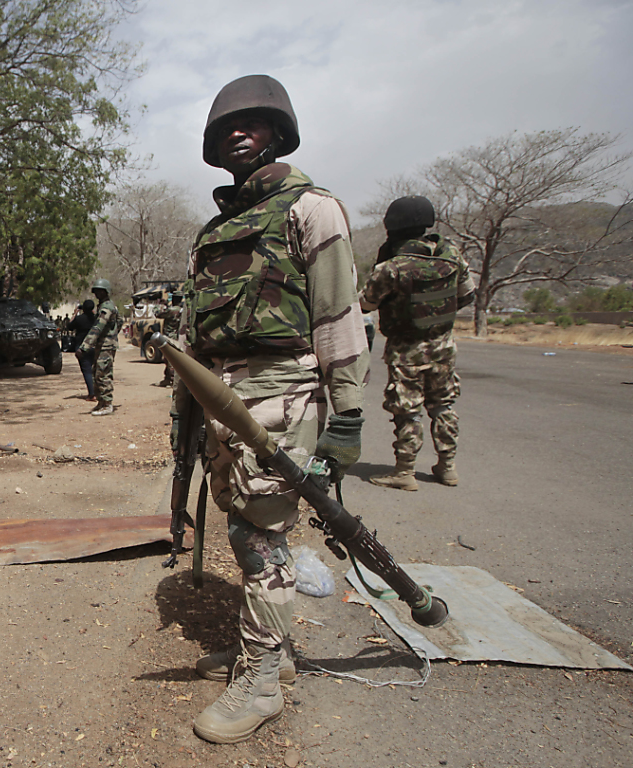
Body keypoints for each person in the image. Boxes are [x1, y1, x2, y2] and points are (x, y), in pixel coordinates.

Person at [180, 75, 369, 744]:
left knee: (264, 539)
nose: (238, 131)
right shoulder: (214, 231)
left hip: (283, 392)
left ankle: (263, 681)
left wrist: (345, 417)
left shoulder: (311, 209)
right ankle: (268, 651)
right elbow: (195, 338)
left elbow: (339, 315)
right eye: (226, 125)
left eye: (254, 121)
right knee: (243, 529)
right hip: (224, 399)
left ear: (278, 132)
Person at [359, 195, 476, 491]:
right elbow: (466, 296)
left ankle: (405, 471)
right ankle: (447, 468)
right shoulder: (453, 256)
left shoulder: (393, 267)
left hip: (405, 350)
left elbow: (366, 303)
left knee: (407, 410)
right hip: (444, 347)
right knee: (443, 405)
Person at [76, 280, 121, 416]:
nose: (95, 294)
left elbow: (98, 327)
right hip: (103, 345)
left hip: (106, 346)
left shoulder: (106, 307)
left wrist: (84, 347)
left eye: (98, 291)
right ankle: (101, 402)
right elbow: (119, 322)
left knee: (103, 374)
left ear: (104, 291)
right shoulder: (106, 305)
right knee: (97, 373)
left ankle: (107, 404)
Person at [68, 300, 97, 400]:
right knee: (96, 370)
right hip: (95, 346)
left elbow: (69, 327)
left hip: (82, 347)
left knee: (87, 370)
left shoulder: (79, 319)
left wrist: (75, 313)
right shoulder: (96, 319)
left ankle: (92, 394)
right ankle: (98, 392)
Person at [155, 292, 183, 387]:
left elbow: (157, 314)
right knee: (169, 359)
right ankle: (168, 379)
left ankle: (171, 379)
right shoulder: (181, 310)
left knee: (170, 359)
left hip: (169, 337)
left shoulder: (172, 310)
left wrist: (161, 304)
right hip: (177, 336)